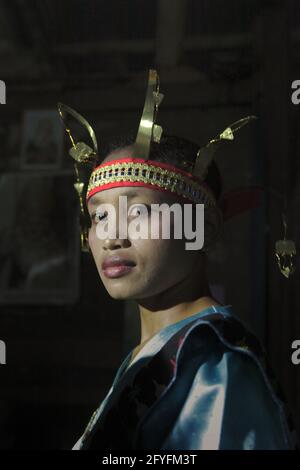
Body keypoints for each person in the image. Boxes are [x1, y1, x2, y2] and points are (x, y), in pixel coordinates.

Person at [58, 70, 296, 450]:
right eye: (99, 216)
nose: (112, 236)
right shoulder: (158, 351)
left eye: (138, 213)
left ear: (198, 229)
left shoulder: (215, 364)